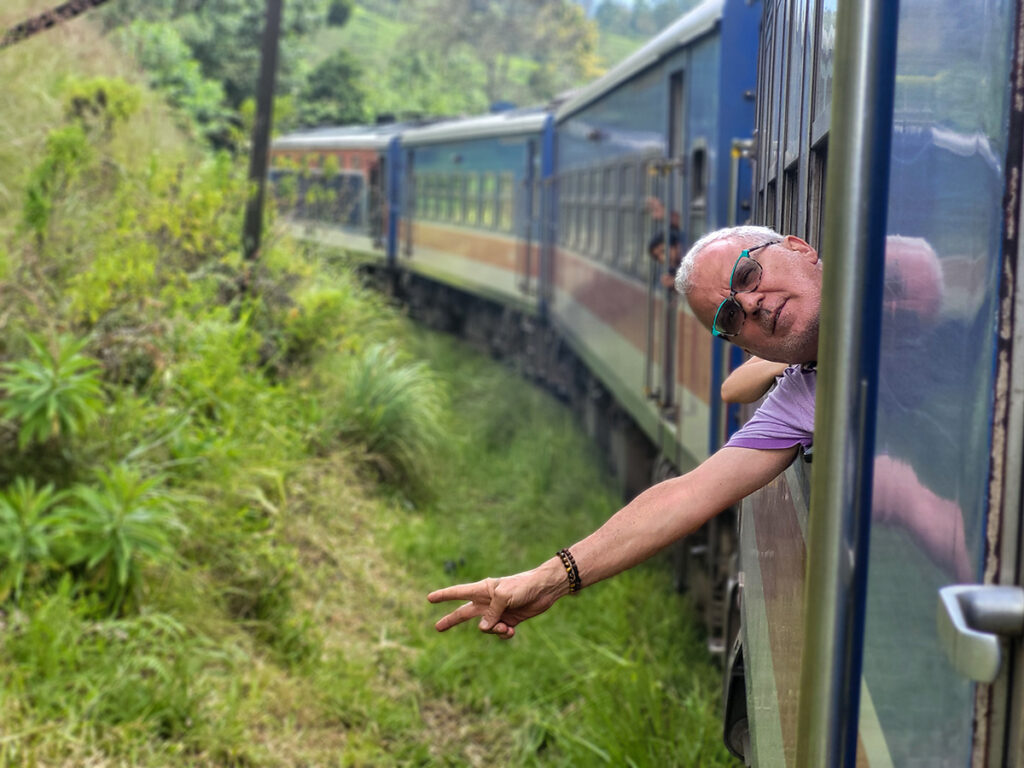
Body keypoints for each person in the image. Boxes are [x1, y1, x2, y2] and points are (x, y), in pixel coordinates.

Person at [429, 224, 819, 638]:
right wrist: (550, 578)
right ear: (744, 347)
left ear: (799, 248)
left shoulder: (894, 269)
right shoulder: (799, 399)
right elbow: (686, 494)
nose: (752, 303)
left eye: (747, 275)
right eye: (731, 316)